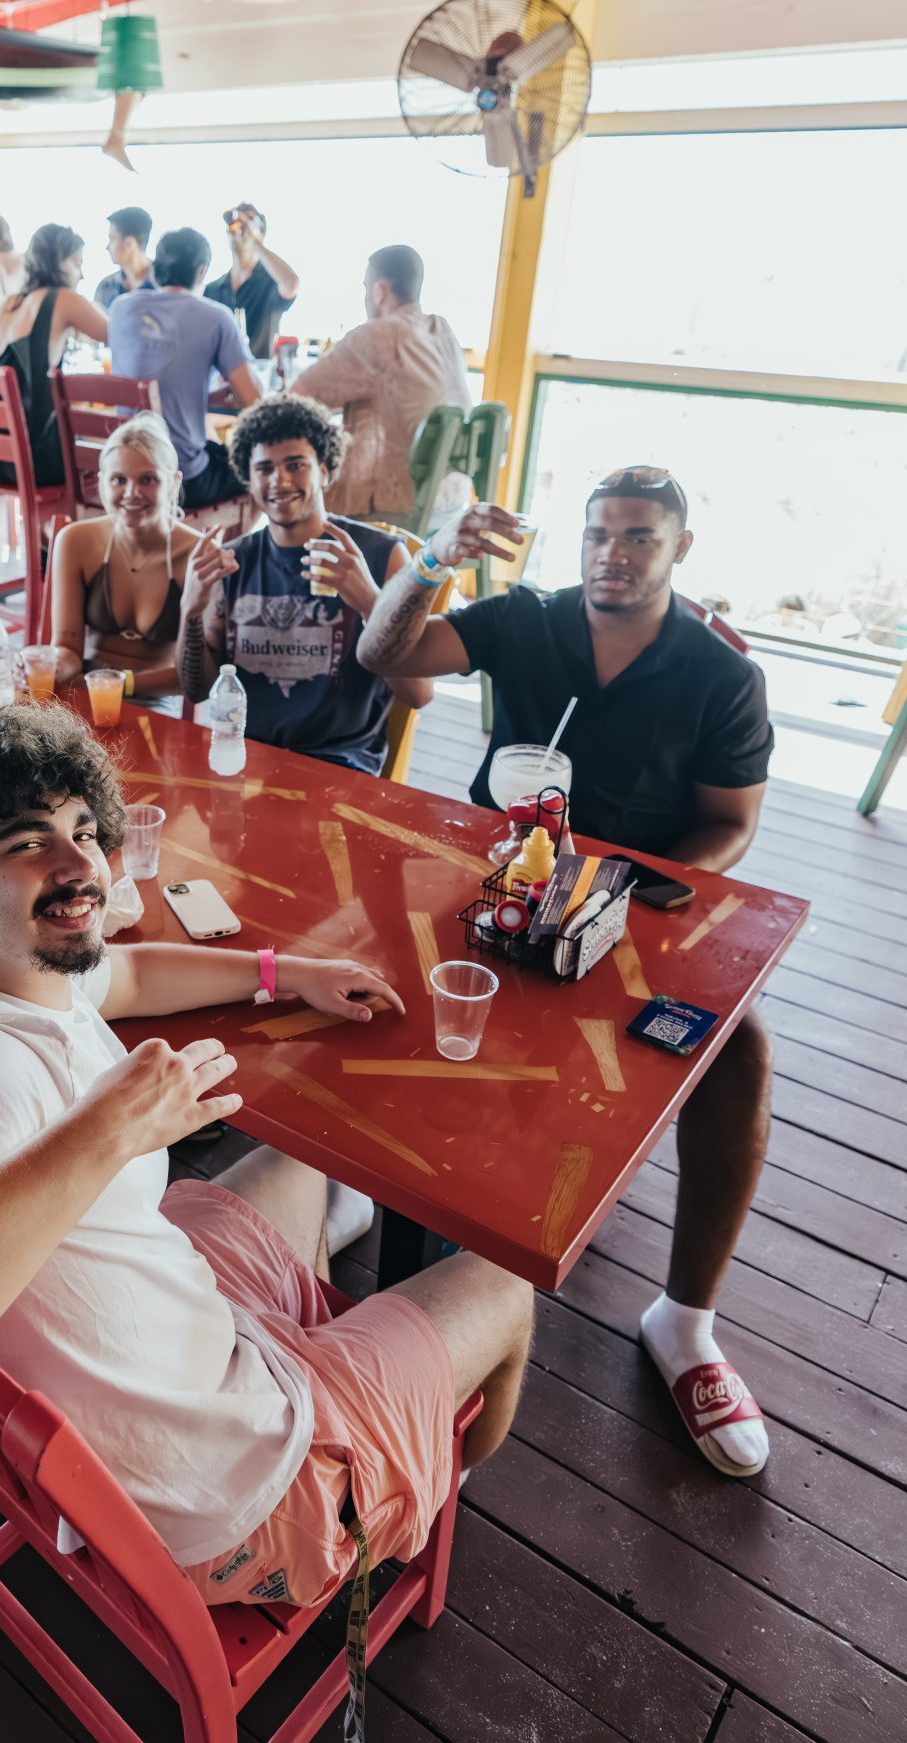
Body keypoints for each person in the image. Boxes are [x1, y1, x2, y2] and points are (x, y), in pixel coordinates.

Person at [0, 704, 531, 1635]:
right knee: (505, 1285)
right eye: (28, 844)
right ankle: (408, 1486)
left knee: (295, 1167)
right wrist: (108, 1130)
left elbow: (124, 978)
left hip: (167, 1360)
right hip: (227, 1500)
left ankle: (339, 1378)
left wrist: (282, 972)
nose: (79, 864)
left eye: (83, 831)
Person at [359, 467, 776, 1479]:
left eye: (639, 537)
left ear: (680, 548)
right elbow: (385, 653)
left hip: (635, 899)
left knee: (738, 1052)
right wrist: (434, 555)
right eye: (597, 534)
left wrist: (634, 887)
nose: (612, 555)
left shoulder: (721, 673)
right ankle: (351, 1193)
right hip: (493, 884)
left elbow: (730, 823)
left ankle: (685, 1320)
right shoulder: (525, 620)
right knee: (382, 970)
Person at [176, 392, 505, 773]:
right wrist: (191, 611)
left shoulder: (380, 555)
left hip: (340, 765)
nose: (279, 480)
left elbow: (419, 694)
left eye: (295, 464)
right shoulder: (233, 561)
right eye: (264, 468)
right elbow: (196, 689)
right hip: (245, 759)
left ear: (325, 470)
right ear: (249, 480)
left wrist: (369, 603)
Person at [294, 244, 472, 525]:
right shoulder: (442, 330)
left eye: (365, 288)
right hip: (451, 504)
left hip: (393, 509)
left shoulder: (376, 337)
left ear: (379, 291)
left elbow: (296, 399)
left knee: (289, 490)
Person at [49, 413, 204, 698]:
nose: (132, 492)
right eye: (119, 480)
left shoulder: (197, 554)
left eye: (147, 479)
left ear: (173, 483)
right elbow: (67, 648)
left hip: (154, 697)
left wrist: (117, 685)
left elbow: (196, 676)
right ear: (102, 483)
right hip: (83, 688)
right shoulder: (75, 541)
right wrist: (52, 665)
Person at [107, 228, 261, 510]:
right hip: (180, 477)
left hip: (121, 468)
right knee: (259, 470)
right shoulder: (216, 317)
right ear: (202, 272)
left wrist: (202, 397)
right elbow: (253, 400)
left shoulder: (120, 309)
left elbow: (154, 376)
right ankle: (220, 541)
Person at [0, 223, 108, 489]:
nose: (81, 274)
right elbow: (118, 335)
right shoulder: (64, 299)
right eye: (77, 263)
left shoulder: (4, 305)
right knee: (114, 451)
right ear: (58, 263)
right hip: (35, 459)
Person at [203, 203, 299, 360]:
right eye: (236, 223)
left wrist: (255, 241)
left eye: (249, 221)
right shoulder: (213, 289)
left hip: (260, 372)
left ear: (261, 234)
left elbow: (292, 284)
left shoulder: (271, 283)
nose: (241, 229)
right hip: (220, 373)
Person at [94, 206, 153, 312]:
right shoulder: (105, 287)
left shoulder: (165, 285)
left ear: (129, 243)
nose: (107, 247)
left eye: (112, 238)